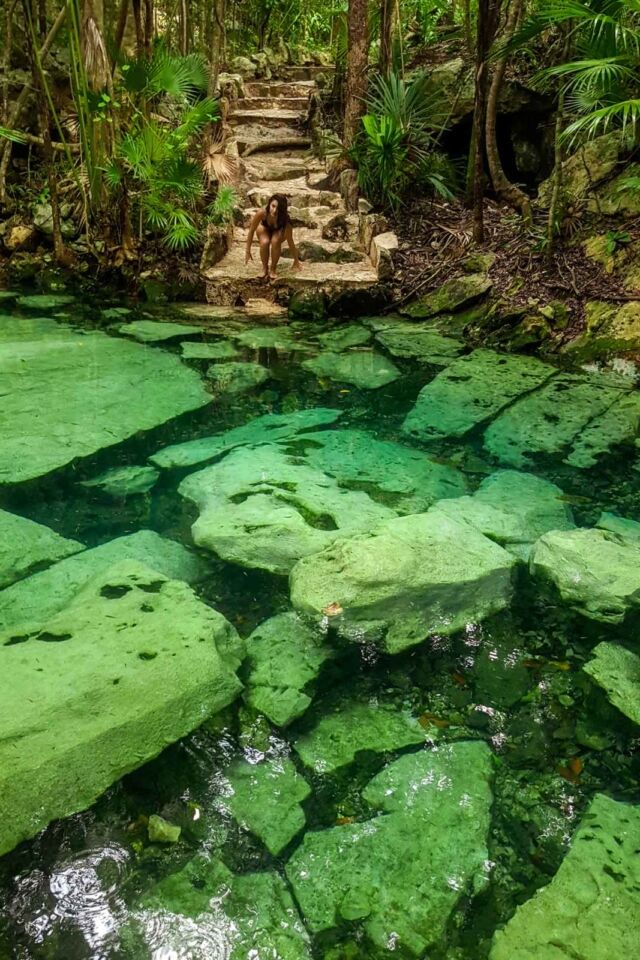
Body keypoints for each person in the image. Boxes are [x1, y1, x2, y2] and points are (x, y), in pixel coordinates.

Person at [245, 193, 302, 280]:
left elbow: (290, 242)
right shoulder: (262, 213)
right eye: (273, 206)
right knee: (265, 242)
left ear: (282, 210)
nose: (274, 210)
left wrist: (296, 261)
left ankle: (273, 269)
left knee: (275, 241)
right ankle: (264, 268)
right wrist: (247, 251)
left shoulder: (285, 222)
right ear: (269, 204)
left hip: (278, 231)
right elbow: (252, 230)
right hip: (264, 229)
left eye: (278, 209)